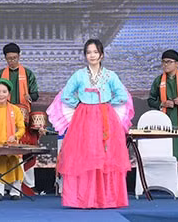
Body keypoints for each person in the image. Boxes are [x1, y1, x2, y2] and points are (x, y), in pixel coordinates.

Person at [56, 39, 132, 208]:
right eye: (89, 52)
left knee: (106, 154)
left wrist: (107, 102)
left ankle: (106, 198)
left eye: (95, 52)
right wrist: (79, 103)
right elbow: (65, 95)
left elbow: (122, 96)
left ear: (101, 55)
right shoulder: (79, 75)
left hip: (105, 117)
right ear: (85, 55)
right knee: (84, 154)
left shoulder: (110, 75)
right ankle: (83, 198)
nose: (92, 55)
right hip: (84, 118)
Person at [0, 43, 42, 193]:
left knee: (24, 151)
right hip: (3, 117)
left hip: (23, 117)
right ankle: (3, 186)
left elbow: (35, 94)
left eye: (14, 58)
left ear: (19, 56)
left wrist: (30, 96)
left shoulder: (28, 73)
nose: (12, 61)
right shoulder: (1, 74)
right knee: (3, 151)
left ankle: (26, 187)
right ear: (5, 58)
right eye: (9, 59)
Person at [147, 49, 178, 190]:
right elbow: (150, 100)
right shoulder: (159, 80)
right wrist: (162, 104)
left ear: (177, 64)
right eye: (163, 62)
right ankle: (169, 184)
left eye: (168, 62)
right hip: (166, 121)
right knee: (168, 152)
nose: (165, 65)